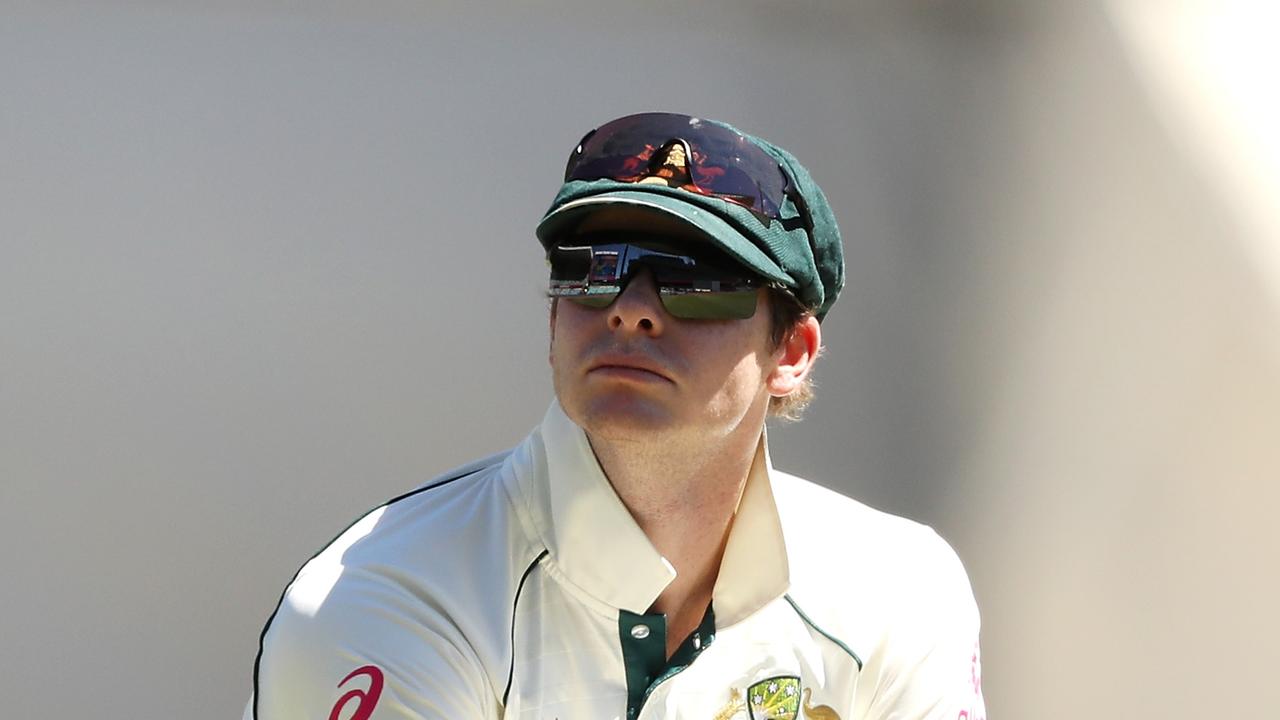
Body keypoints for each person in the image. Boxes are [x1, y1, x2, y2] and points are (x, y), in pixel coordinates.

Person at [246, 112, 986, 720]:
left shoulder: (902, 588)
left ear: (791, 350)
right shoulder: (387, 598)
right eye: (590, 266)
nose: (631, 310)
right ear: (553, 324)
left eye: (698, 280)